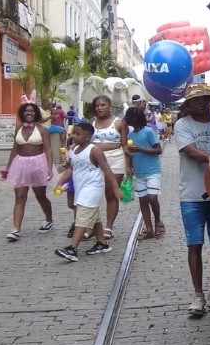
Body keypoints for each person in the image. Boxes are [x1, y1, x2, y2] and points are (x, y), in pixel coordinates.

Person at [173, 84, 210, 317]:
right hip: (191, 194)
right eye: (193, 100)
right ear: (187, 105)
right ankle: (198, 295)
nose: (198, 103)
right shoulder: (182, 125)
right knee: (194, 244)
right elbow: (190, 151)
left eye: (203, 98)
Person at [54, 121, 122, 261]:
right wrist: (59, 183)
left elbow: (106, 169)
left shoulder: (94, 150)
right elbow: (71, 169)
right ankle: (101, 243)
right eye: (73, 133)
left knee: (82, 217)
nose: (74, 136)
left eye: (78, 134)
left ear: (88, 137)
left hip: (92, 189)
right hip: (81, 188)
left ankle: (72, 248)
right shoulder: (73, 149)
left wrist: (115, 187)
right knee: (94, 216)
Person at [1, 102, 56, 242]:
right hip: (20, 164)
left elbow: (48, 149)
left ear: (36, 113)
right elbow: (15, 149)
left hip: (38, 163)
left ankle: (49, 219)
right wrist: (8, 167)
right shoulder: (18, 128)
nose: (29, 113)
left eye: (31, 111)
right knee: (20, 197)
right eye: (26, 111)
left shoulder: (42, 129)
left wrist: (49, 168)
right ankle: (16, 229)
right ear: (22, 113)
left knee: (40, 196)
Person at [89, 94, 131, 238]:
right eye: (97, 106)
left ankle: (108, 227)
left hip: (115, 159)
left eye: (103, 105)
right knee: (92, 194)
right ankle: (91, 225)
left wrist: (128, 166)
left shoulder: (119, 123)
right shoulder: (92, 122)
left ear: (110, 106)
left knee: (111, 194)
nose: (99, 108)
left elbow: (125, 145)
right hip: (94, 160)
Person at [124, 106, 164, 240]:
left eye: (128, 117)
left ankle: (158, 220)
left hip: (153, 171)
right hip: (139, 173)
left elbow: (158, 150)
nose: (126, 119)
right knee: (142, 200)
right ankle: (148, 229)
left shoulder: (148, 132)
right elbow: (130, 155)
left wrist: (140, 149)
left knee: (152, 198)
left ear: (135, 118)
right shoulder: (129, 135)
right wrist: (128, 166)